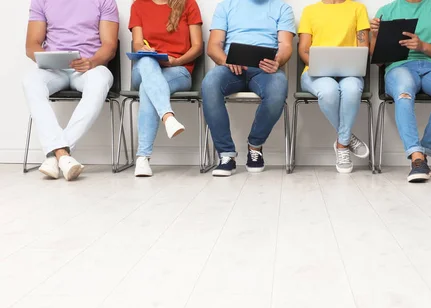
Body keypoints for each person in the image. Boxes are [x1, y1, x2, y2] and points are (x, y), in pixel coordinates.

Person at [23, 0, 119, 181]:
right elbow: (31, 44)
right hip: (53, 69)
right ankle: (63, 155)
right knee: (30, 81)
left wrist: (93, 61)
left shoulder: (105, 1)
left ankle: (55, 155)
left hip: (88, 67)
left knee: (100, 80)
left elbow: (110, 45)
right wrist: (46, 59)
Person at [370, 0, 431, 183]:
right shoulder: (387, 11)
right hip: (399, 68)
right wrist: (376, 36)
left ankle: (423, 153)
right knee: (404, 91)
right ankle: (416, 157)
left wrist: (422, 46)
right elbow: (378, 60)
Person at [202, 0, 295, 177]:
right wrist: (226, 60)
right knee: (210, 83)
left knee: (279, 86)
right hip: (230, 68)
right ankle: (226, 155)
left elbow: (286, 45)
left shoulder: (282, 8)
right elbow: (213, 46)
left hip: (265, 70)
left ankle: (255, 146)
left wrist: (278, 61)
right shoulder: (226, 6)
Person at [129, 0, 203, 177]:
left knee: (148, 89)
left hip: (178, 70)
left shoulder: (189, 4)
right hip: (144, 68)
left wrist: (177, 61)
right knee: (147, 61)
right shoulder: (138, 5)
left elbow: (198, 46)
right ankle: (167, 116)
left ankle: (143, 158)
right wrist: (146, 50)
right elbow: (137, 44)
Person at [298, 0, 371, 174]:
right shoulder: (310, 11)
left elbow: (363, 47)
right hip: (315, 73)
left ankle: (342, 144)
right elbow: (303, 50)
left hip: (350, 73)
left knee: (352, 89)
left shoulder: (358, 9)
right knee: (329, 90)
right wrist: (321, 67)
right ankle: (346, 139)